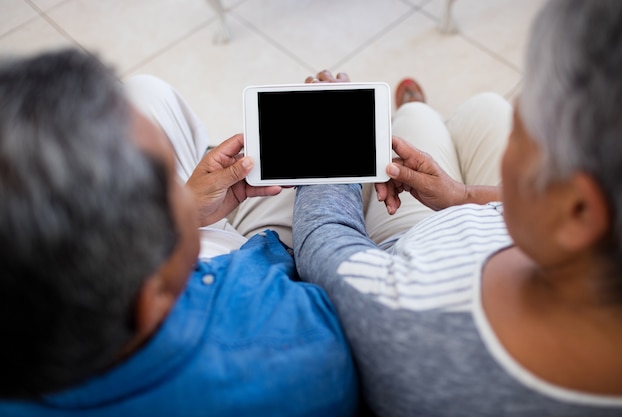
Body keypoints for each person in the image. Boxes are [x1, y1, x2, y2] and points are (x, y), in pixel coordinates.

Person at [292, 0, 622, 416]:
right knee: (487, 108)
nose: (511, 151)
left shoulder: (406, 314)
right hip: (467, 209)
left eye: (520, 137)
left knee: (418, 119)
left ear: (578, 212)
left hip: (412, 245)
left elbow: (322, 237)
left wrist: (329, 134)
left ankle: (414, 111)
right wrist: (462, 195)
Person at [0, 48, 360, 416]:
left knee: (144, 91)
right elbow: (341, 268)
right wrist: (333, 156)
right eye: (171, 186)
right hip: (274, 257)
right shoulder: (302, 349)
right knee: (406, 133)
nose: (186, 187)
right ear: (150, 296)